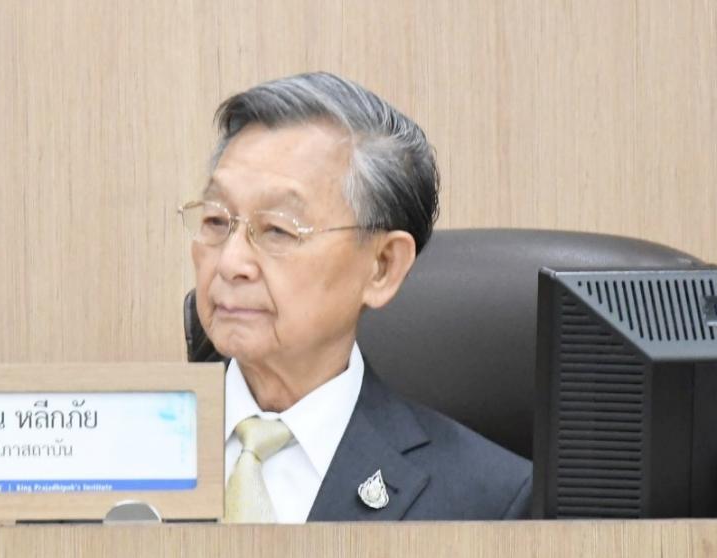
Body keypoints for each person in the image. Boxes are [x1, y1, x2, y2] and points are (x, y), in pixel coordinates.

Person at [179, 72, 531, 523]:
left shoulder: (488, 502)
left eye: (278, 230)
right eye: (215, 220)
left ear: (382, 266)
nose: (231, 263)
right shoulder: (117, 454)